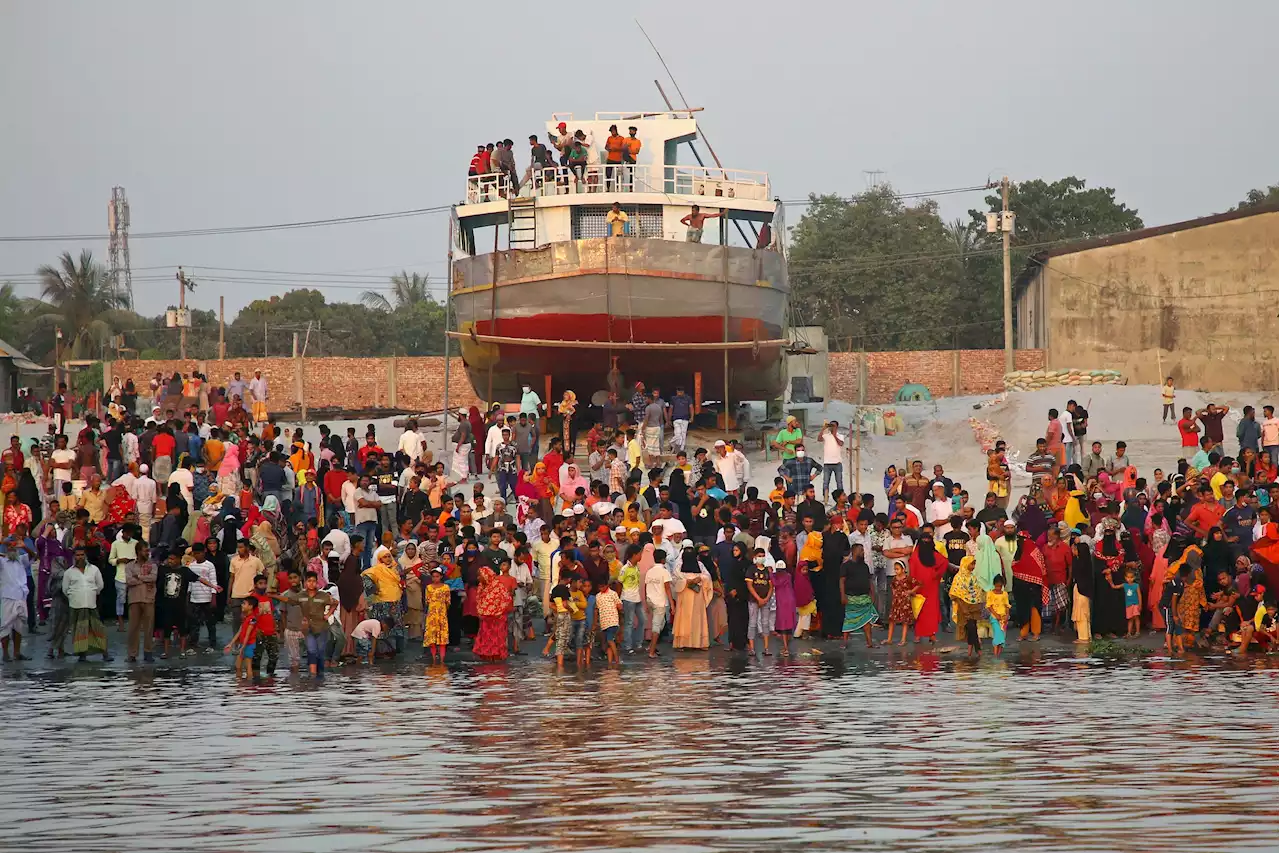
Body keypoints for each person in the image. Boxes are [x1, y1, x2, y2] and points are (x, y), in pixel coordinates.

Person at [64, 545, 111, 662]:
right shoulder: (69, 572)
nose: (79, 557)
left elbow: (100, 585)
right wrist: (75, 595)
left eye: (82, 555)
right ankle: (82, 655)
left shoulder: (94, 569)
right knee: (79, 630)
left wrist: (91, 593)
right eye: (77, 555)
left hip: (91, 604)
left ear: (85, 556)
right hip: (76, 605)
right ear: (74, 556)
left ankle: (105, 654)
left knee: (98, 629)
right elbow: (65, 589)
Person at [0, 536, 31, 661]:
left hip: (21, 596)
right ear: (6, 549)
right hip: (8, 597)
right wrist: (3, 542)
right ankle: (6, 654)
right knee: (5, 626)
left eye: (14, 546)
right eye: (10, 546)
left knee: (19, 626)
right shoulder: (2, 561)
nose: (12, 548)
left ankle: (17, 653)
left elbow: (34, 556)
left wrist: (25, 547)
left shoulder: (21, 560)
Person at [986, 575, 1010, 655]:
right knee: (997, 636)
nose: (998, 588)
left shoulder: (1005, 594)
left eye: (1000, 586)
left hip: (1003, 619)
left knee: (1002, 637)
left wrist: (1007, 615)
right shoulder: (990, 593)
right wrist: (996, 615)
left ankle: (998, 655)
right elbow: (989, 606)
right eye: (996, 586)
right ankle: (995, 655)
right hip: (994, 618)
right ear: (994, 584)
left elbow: (1007, 606)